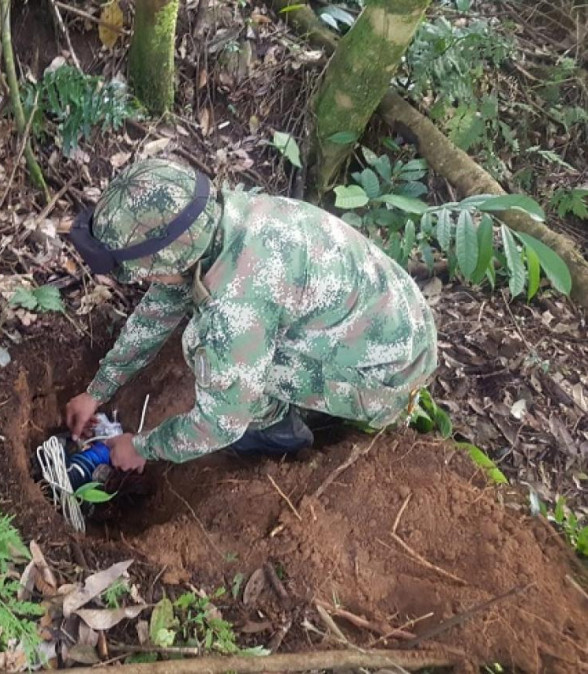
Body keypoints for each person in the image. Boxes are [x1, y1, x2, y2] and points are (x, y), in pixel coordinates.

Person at [65, 158, 438, 472]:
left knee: (202, 346)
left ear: (166, 259)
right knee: (218, 345)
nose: (145, 279)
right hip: (395, 324)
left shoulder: (235, 307)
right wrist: (97, 391)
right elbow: (159, 308)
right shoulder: (223, 221)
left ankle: (278, 432)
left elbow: (220, 423)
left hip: (388, 377)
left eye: (144, 271)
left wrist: (142, 447)